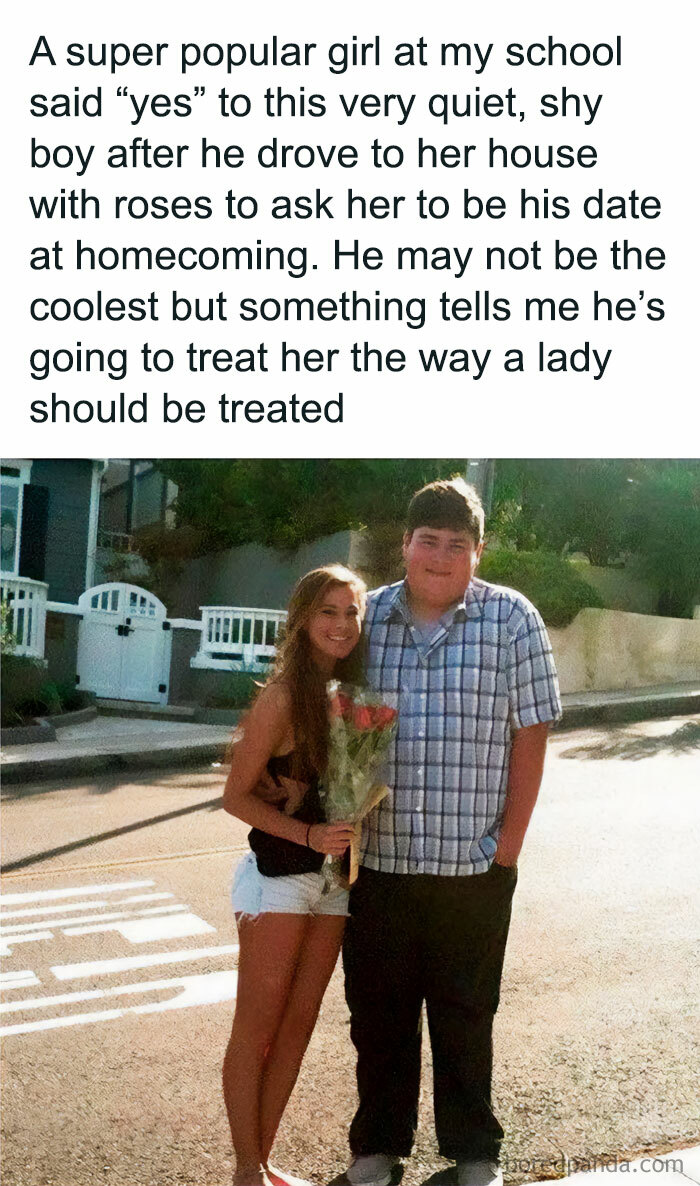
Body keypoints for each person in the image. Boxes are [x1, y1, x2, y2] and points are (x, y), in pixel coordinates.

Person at [338, 479, 562, 1186]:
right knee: (379, 1019)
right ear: (404, 545)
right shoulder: (365, 620)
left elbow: (532, 733)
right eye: (427, 540)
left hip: (474, 866)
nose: (440, 555)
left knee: (467, 1017)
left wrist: (509, 848)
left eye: (456, 544)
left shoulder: (512, 620)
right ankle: (378, 1146)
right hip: (379, 864)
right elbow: (331, 718)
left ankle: (473, 1152)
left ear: (477, 550)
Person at [222, 564, 367, 1186]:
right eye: (328, 612)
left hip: (334, 884)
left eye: (351, 613)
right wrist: (307, 832)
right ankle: (245, 1170)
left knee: (298, 1028)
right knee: (256, 1028)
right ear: (304, 619)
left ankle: (265, 1158)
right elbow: (235, 796)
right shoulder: (281, 696)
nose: (341, 625)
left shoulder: (353, 701)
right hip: (279, 879)